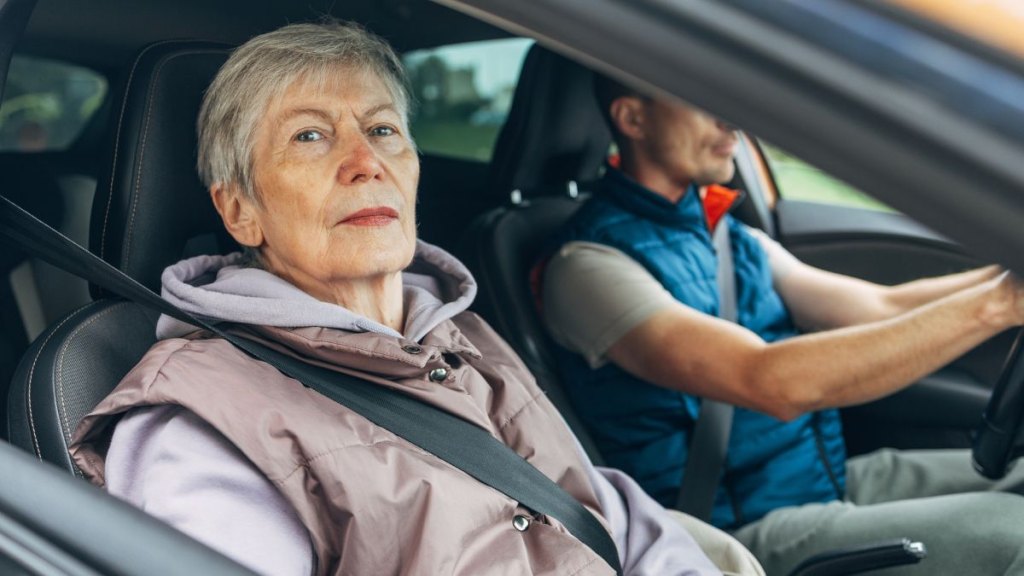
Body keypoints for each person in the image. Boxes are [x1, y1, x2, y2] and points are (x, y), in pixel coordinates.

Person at [67, 22, 765, 576]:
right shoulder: (200, 420)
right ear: (241, 209)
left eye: (382, 130)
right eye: (310, 136)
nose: (365, 160)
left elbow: (602, 508)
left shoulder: (465, 336)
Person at [539, 73, 1024, 575]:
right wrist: (1000, 305)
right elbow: (768, 380)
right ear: (633, 118)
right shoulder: (587, 265)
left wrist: (1006, 273)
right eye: (702, 98)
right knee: (1016, 536)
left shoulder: (728, 236)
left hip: (815, 478)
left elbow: (880, 308)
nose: (732, 121)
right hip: (735, 525)